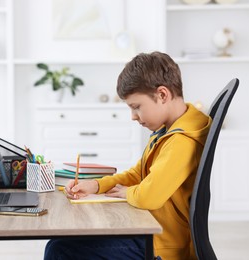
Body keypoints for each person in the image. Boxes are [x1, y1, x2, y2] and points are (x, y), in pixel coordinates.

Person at [44, 51, 212, 260]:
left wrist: (127, 192)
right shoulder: (169, 131)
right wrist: (97, 185)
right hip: (152, 230)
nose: (133, 116)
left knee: (60, 249)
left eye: (136, 107)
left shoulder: (182, 140)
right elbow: (137, 174)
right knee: (60, 244)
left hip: (162, 245)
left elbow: (149, 195)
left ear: (162, 95)